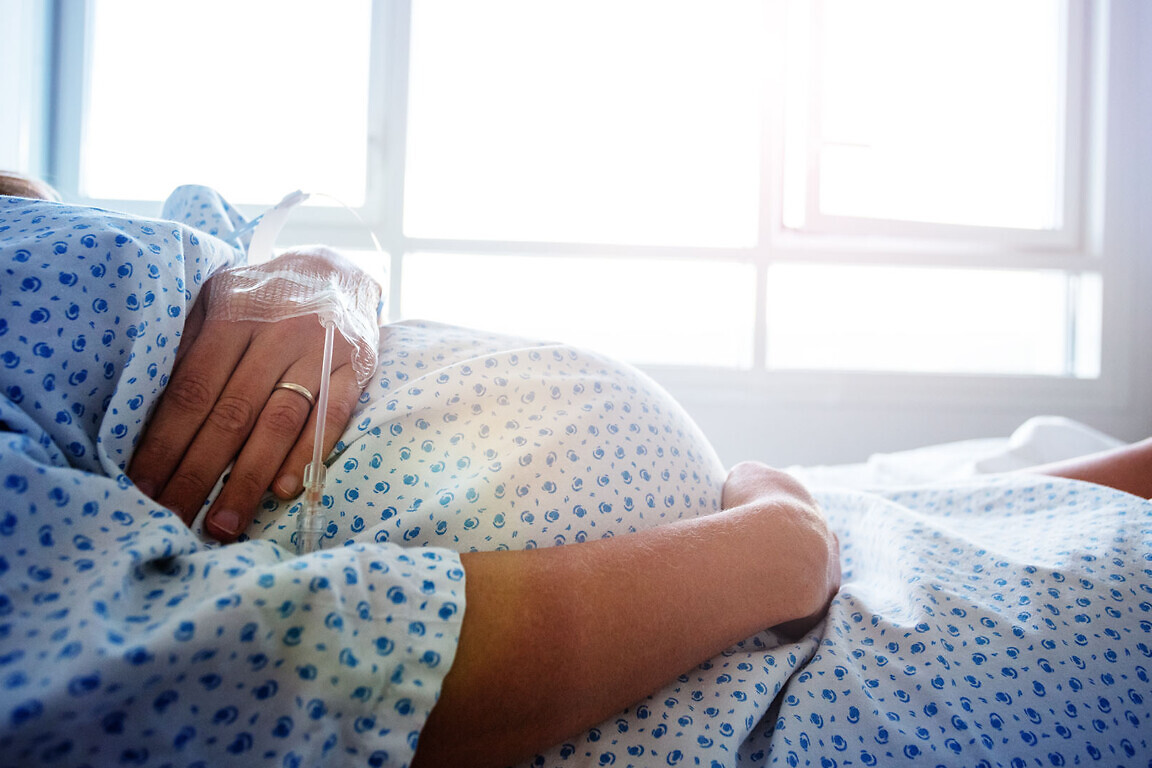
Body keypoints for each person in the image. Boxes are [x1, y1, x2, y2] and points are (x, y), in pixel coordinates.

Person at [2, 174, 1149, 768]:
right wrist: (774, 557)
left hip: (761, 568)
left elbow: (116, 270)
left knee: (1010, 497)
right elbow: (299, 677)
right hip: (747, 671)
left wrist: (318, 274)